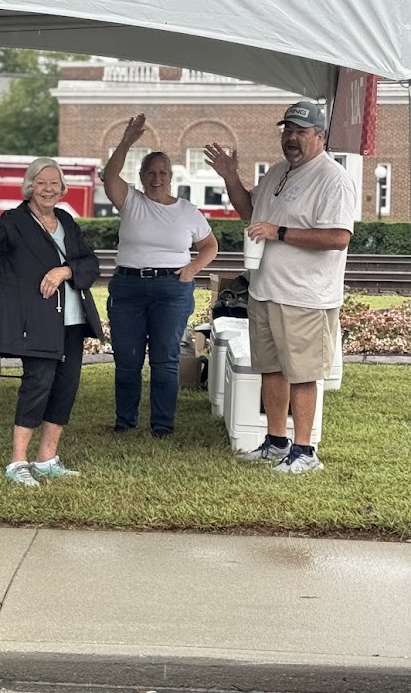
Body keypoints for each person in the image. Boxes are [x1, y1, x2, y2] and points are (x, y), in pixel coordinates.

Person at [204, 102, 355, 474]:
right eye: (287, 130)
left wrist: (280, 232)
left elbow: (338, 237)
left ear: (320, 137)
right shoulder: (277, 172)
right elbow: (249, 210)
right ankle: (275, 443)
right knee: (270, 369)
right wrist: (230, 176)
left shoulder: (332, 178)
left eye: (300, 131)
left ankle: (305, 452)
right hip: (265, 290)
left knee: (302, 373)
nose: (291, 138)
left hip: (305, 296)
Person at [0, 157, 103, 487]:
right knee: (37, 385)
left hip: (72, 320)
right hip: (37, 320)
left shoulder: (66, 220)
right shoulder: (15, 221)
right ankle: (17, 462)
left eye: (54, 183)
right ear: (30, 187)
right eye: (41, 183)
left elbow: (90, 262)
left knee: (65, 388)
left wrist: (65, 271)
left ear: (62, 188)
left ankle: (47, 459)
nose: (48, 189)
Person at [103, 114, 218, 436]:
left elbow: (210, 246)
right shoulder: (130, 201)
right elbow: (109, 175)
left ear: (171, 176)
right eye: (151, 173)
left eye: (163, 172)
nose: (157, 178)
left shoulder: (187, 211)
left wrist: (192, 269)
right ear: (141, 177)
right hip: (128, 288)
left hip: (171, 289)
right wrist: (127, 141)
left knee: (165, 359)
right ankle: (125, 422)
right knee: (127, 359)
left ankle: (162, 425)